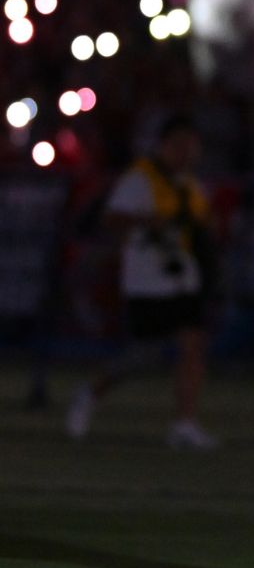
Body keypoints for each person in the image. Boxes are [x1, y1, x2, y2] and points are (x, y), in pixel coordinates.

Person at [66, 114, 219, 449]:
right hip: (146, 281)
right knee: (142, 356)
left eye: (191, 147)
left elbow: (202, 227)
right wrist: (148, 221)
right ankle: (89, 394)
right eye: (178, 145)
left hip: (184, 279)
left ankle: (184, 423)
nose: (185, 153)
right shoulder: (140, 179)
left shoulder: (190, 185)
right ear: (163, 146)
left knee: (192, 345)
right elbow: (110, 219)